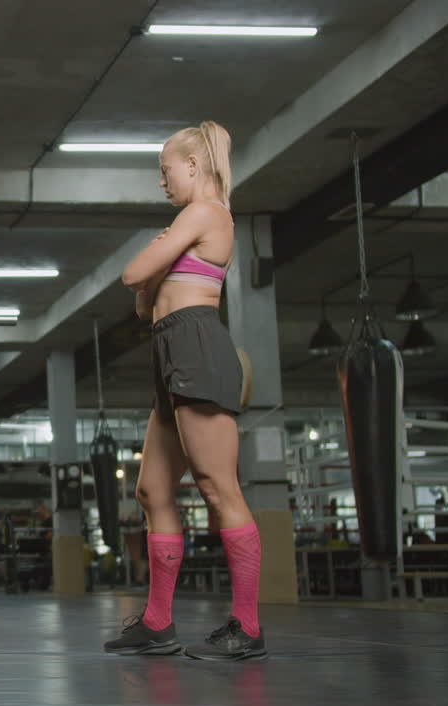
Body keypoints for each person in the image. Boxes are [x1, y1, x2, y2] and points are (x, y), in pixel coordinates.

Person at [103, 121, 266, 661]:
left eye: (165, 169)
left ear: (193, 166)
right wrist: (152, 273)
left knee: (218, 489)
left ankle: (247, 627)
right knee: (151, 491)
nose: (162, 181)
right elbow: (143, 305)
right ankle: (157, 623)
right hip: (169, 347)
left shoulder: (204, 212)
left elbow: (132, 275)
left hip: (197, 343)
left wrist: (153, 265)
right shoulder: (190, 220)